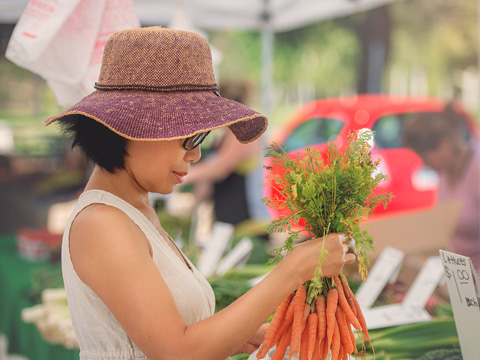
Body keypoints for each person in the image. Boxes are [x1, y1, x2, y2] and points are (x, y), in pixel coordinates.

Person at [44, 26, 356, 360]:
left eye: (201, 138)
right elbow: (177, 352)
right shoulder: (102, 223)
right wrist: (292, 271)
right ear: (132, 130)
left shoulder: (133, 207)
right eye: (188, 138)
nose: (195, 155)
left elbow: (158, 336)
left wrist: (243, 336)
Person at [403, 103, 480, 272]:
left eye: (428, 159)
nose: (426, 165)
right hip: (455, 274)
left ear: (444, 146)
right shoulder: (444, 172)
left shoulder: (476, 167)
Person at [183, 79, 270, 227]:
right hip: (227, 222)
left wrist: (181, 175)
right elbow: (209, 179)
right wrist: (192, 211)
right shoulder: (223, 139)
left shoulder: (245, 135)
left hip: (249, 225)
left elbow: (219, 169)